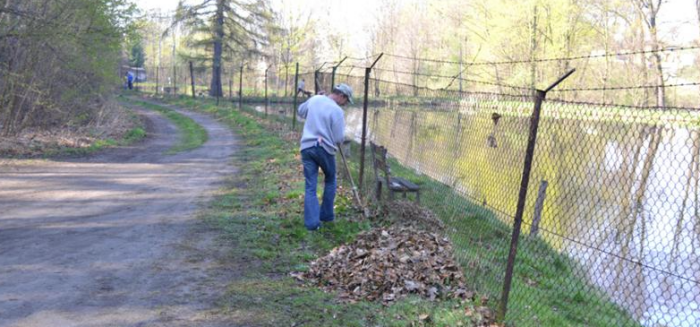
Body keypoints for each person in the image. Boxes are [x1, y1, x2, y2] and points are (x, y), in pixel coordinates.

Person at [298, 83, 353, 231]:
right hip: (324, 149)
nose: (345, 104)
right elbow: (338, 137)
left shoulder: (316, 99)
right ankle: (326, 216)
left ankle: (312, 224)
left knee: (310, 185)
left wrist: (316, 98)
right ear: (341, 96)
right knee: (330, 179)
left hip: (307, 147)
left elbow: (300, 111)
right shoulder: (337, 111)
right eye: (346, 100)